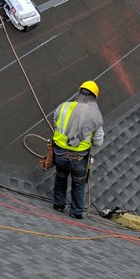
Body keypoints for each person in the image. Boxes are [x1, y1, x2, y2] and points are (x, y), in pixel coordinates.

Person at [51, 80, 104, 219]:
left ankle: (58, 204)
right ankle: (75, 212)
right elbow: (98, 141)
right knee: (78, 183)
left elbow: (56, 122)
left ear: (79, 93)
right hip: (79, 158)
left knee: (61, 177)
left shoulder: (64, 106)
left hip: (60, 153)